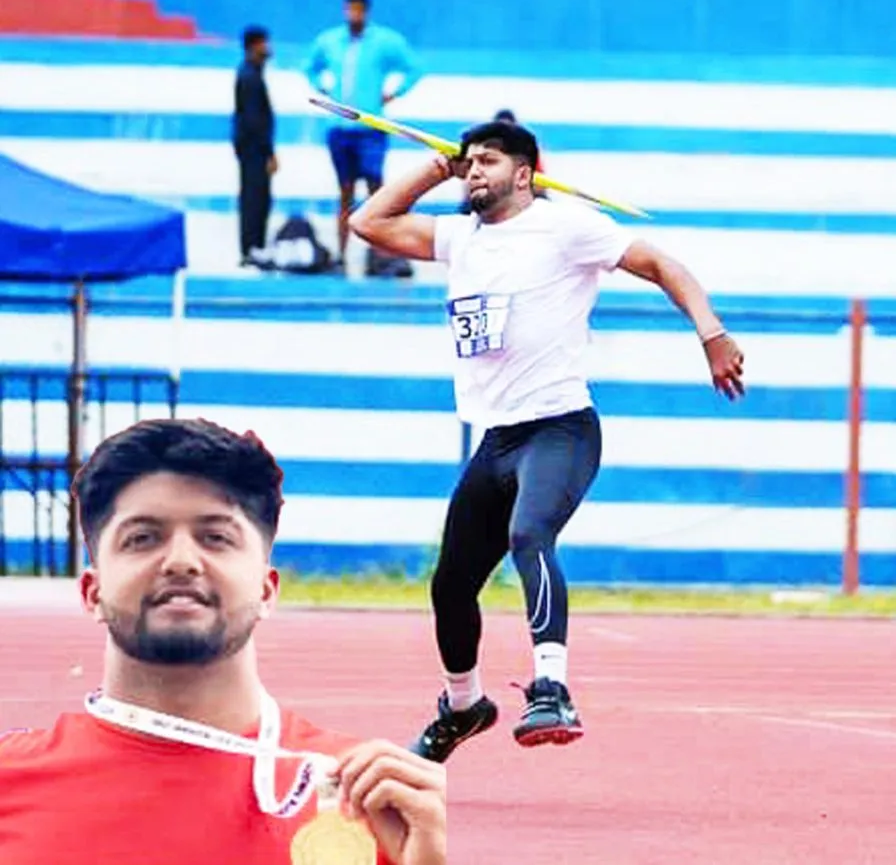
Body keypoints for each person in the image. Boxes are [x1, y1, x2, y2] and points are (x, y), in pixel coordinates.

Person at [349, 120, 745, 763]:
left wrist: (712, 334)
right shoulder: (462, 237)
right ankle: (462, 705)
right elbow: (368, 223)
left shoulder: (567, 227)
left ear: (525, 174)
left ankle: (552, 687)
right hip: (497, 440)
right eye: (469, 162)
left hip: (560, 428)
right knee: (450, 585)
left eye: (488, 162)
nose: (474, 170)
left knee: (529, 535)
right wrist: (435, 169)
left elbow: (661, 263)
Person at [0, 419, 445, 865]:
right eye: (142, 538)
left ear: (266, 590)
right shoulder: (10, 780)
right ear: (92, 592)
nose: (180, 561)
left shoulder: (364, 796)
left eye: (215, 537)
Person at [304, 0, 423, 278]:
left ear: (366, 11)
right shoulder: (330, 41)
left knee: (376, 192)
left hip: (371, 130)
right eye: (349, 10)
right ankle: (342, 257)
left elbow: (414, 68)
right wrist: (321, 86)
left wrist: (394, 93)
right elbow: (309, 67)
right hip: (339, 129)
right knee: (344, 193)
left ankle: (381, 256)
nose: (353, 15)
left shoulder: (384, 41)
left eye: (358, 10)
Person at [233, 25, 277, 266]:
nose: (268, 48)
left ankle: (253, 246)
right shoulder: (249, 76)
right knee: (254, 199)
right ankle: (252, 247)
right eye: (264, 43)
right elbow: (254, 120)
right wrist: (268, 152)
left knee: (257, 198)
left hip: (251, 148)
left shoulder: (252, 73)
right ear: (254, 46)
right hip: (253, 150)